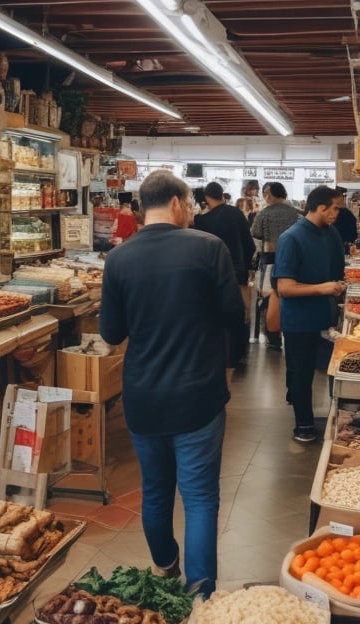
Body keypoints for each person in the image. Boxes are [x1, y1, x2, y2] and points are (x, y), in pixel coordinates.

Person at [99, 170, 244, 596]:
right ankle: (200, 593)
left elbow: (110, 333)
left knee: (156, 492)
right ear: (179, 203)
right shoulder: (208, 248)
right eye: (191, 204)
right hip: (198, 395)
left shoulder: (119, 258)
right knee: (199, 498)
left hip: (143, 395)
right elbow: (234, 318)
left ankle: (165, 566)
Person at [274, 185, 346, 443]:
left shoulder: (331, 234)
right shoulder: (291, 238)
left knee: (332, 370)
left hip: (326, 317)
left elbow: (338, 271)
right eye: (335, 208)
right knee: (302, 373)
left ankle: (338, 419)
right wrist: (322, 288)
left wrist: (338, 288)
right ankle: (303, 425)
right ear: (320, 206)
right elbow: (284, 287)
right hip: (299, 320)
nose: (337, 213)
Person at [194, 182, 255, 368]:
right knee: (242, 312)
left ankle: (223, 354)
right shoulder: (236, 213)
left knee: (218, 313)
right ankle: (240, 351)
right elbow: (250, 245)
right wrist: (244, 265)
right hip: (238, 273)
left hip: (214, 275)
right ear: (222, 195)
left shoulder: (202, 221)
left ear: (206, 198)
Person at [250, 182, 301, 350]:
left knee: (268, 296)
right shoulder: (295, 212)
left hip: (270, 256)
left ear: (269, 194)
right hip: (293, 258)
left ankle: (272, 335)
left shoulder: (264, 213)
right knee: (290, 293)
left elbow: (255, 232)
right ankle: (290, 331)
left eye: (266, 193)